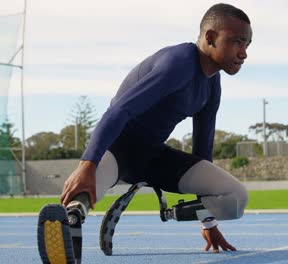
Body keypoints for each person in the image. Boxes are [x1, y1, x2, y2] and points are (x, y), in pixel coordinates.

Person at [37, 3, 252, 263]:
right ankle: (70, 221)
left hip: (154, 156)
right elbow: (119, 111)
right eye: (237, 42)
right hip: (118, 148)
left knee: (236, 198)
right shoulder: (179, 63)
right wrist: (88, 164)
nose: (243, 53)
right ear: (210, 37)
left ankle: (169, 213)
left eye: (247, 44)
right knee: (85, 189)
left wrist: (207, 221)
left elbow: (202, 153)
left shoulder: (212, 85)